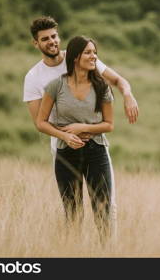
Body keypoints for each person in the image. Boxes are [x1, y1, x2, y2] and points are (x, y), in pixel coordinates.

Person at [36, 36, 116, 242]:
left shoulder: (102, 87)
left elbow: (109, 124)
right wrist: (65, 135)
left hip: (96, 152)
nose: (94, 56)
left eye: (95, 52)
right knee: (72, 213)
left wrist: (84, 127)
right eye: (88, 52)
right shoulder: (56, 86)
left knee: (103, 211)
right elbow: (41, 122)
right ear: (75, 57)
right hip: (66, 154)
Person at [23, 16, 138, 153]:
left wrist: (128, 95)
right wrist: (67, 134)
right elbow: (39, 122)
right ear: (35, 43)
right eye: (45, 39)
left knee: (101, 175)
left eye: (54, 36)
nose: (51, 41)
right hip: (63, 143)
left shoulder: (81, 57)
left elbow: (118, 80)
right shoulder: (33, 77)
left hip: (94, 139)